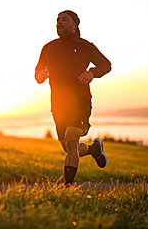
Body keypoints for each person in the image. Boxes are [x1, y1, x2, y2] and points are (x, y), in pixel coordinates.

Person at [35, 10, 112, 186]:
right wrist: (41, 74)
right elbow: (37, 73)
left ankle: (67, 187)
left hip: (80, 99)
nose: (59, 22)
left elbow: (106, 65)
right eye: (58, 20)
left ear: (74, 26)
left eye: (64, 20)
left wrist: (91, 73)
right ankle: (94, 149)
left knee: (71, 139)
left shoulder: (86, 46)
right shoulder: (48, 48)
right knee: (70, 147)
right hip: (58, 103)